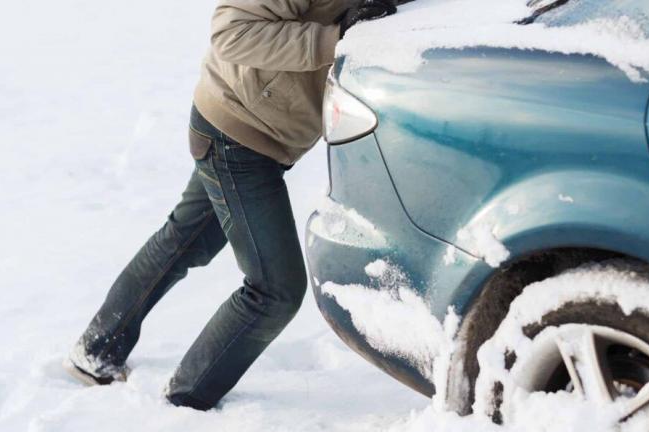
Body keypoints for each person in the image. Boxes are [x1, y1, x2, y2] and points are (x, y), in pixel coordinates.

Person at [65, 0, 399, 411]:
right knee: (275, 290)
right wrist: (336, 39)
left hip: (260, 131)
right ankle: (187, 400)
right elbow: (231, 32)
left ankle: (96, 350)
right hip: (236, 133)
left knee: (187, 241)